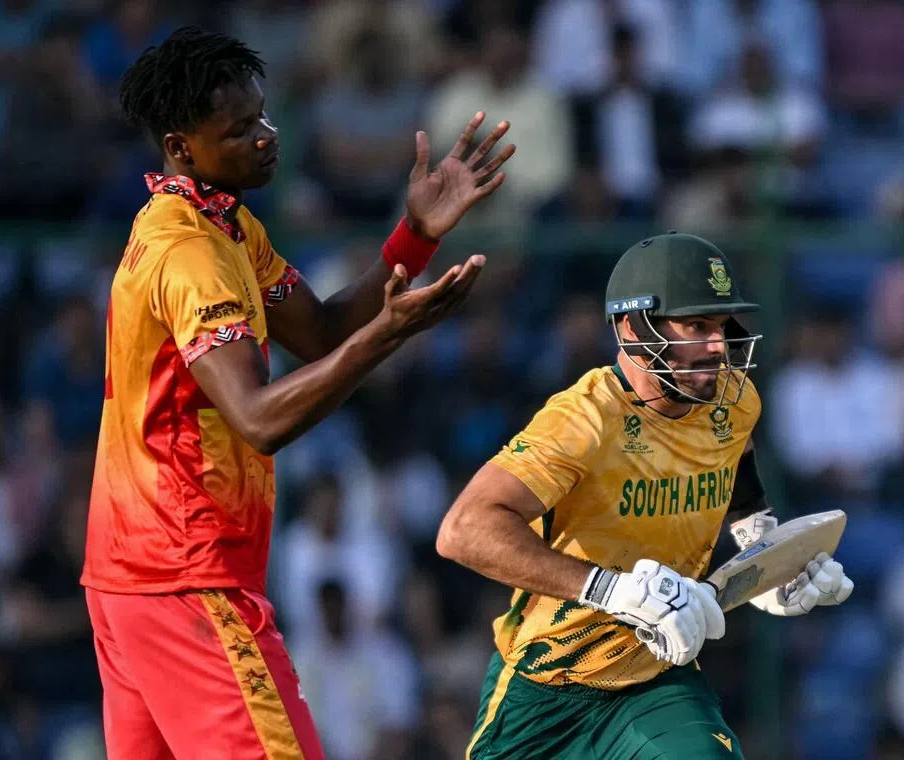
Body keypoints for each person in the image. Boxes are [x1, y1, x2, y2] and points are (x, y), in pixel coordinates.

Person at [80, 26, 514, 760]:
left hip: (132, 578)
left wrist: (412, 236)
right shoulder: (191, 255)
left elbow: (317, 331)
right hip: (188, 578)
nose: (266, 138)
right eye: (240, 129)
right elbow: (258, 419)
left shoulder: (222, 226)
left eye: (264, 117)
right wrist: (389, 336)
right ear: (182, 147)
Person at [437, 232, 854, 759]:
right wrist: (611, 591)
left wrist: (766, 567)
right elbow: (463, 531)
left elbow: (740, 483)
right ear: (634, 327)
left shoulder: (733, 400)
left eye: (722, 326)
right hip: (546, 684)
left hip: (656, 678)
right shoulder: (584, 419)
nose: (718, 346)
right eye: (697, 326)